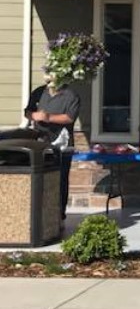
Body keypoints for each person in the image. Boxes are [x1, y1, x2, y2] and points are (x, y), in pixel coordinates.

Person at [23, 83, 81, 222]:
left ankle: (59, 215)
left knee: (60, 180)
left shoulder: (71, 95)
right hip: (40, 142)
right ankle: (41, 215)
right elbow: (27, 112)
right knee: (41, 178)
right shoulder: (39, 92)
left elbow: (69, 117)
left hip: (62, 143)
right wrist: (34, 115)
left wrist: (47, 117)